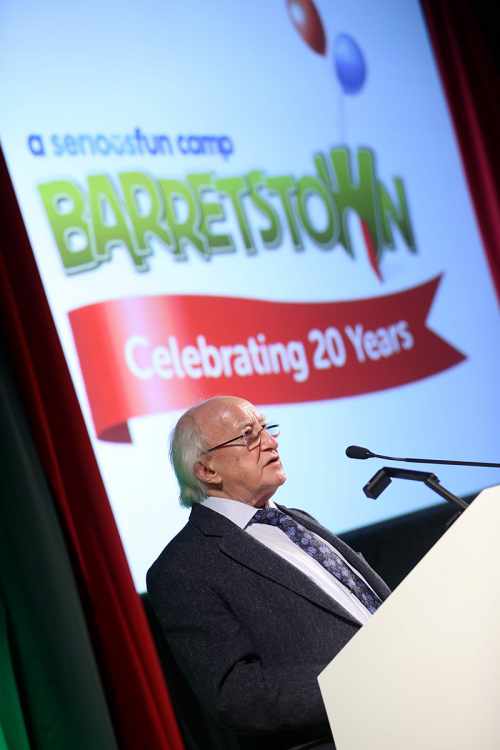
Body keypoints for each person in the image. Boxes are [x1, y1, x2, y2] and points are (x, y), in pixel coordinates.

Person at [147, 396, 390, 750]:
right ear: (207, 471)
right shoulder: (182, 568)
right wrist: (358, 684)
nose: (271, 442)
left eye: (266, 428)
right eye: (248, 435)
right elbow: (237, 696)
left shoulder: (297, 519)